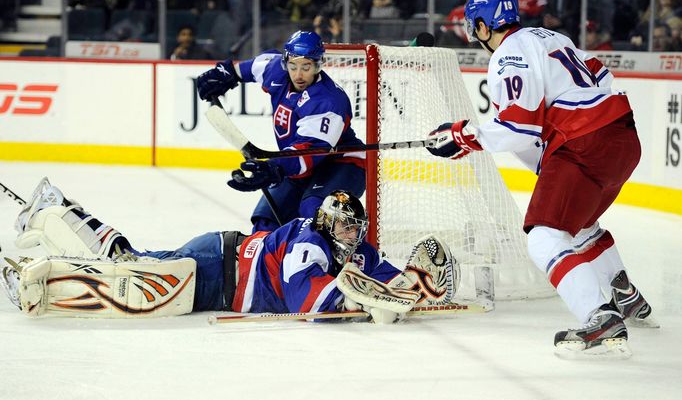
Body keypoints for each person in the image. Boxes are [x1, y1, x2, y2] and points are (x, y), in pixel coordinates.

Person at [426, 0, 654, 358]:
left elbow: (519, 127)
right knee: (577, 223)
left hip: (584, 143)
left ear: (484, 27)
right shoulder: (552, 37)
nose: (475, 35)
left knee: (543, 237)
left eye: (475, 27)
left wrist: (463, 137)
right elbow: (600, 77)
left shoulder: (509, 53)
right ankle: (624, 294)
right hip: (623, 139)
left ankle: (600, 317)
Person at [1, 178, 457, 323]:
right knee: (131, 274)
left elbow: (390, 280)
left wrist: (410, 287)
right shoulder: (310, 242)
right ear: (326, 222)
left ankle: (57, 214)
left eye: (355, 227)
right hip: (216, 268)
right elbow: (308, 303)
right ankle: (53, 217)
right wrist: (367, 300)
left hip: (220, 268)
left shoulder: (355, 249)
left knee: (131, 263)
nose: (352, 234)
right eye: (343, 224)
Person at [196, 30, 366, 233]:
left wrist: (273, 168)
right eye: (293, 66)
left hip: (342, 163)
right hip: (296, 163)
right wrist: (223, 75)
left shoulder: (328, 101)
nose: (298, 74)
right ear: (286, 62)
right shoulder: (274, 68)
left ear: (318, 65)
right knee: (264, 222)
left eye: (306, 67)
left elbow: (307, 154)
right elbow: (242, 70)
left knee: (316, 215)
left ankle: (352, 255)